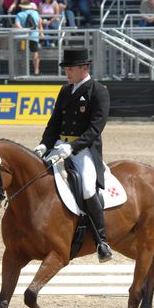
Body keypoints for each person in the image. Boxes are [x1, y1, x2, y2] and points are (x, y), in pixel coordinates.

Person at [33, 48, 113, 263]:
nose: (67, 73)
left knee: (87, 188)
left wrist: (74, 146)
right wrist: (44, 144)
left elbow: (96, 127)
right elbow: (54, 122)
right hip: (59, 146)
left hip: (84, 150)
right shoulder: (65, 91)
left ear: (84, 68)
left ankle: (101, 241)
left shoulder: (98, 91)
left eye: (70, 69)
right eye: (66, 69)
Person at [14, 0, 42, 75]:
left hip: (23, 37)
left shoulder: (19, 14)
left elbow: (17, 25)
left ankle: (23, 71)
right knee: (35, 53)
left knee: (22, 53)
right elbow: (39, 23)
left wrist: (24, 31)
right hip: (34, 37)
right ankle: (36, 70)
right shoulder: (36, 13)